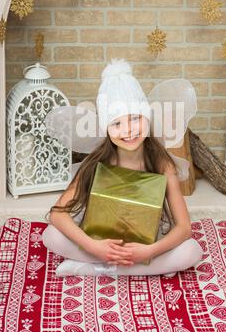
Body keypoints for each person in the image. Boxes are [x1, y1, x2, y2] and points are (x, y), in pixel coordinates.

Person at [42, 59, 203, 276]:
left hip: (146, 241)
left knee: (192, 251)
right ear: (106, 128)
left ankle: (92, 268)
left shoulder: (162, 163)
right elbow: (57, 215)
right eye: (117, 123)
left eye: (135, 118)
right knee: (50, 236)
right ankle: (141, 268)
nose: (128, 130)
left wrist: (150, 251)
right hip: (101, 240)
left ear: (147, 117)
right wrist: (93, 246)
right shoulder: (96, 162)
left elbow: (184, 228)